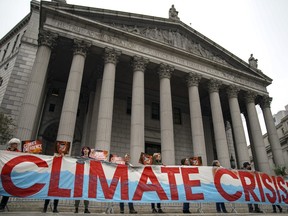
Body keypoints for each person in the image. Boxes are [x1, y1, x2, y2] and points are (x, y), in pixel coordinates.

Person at [0, 138, 21, 212]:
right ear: (11, 144)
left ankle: (2, 206)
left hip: (11, 175)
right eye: (14, 144)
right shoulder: (6, 152)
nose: (16, 145)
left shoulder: (19, 153)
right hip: (3, 173)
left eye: (17, 144)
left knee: (7, 191)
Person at [74, 146, 91, 213]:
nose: (85, 150)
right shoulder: (79, 158)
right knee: (78, 193)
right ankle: (76, 208)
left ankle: (86, 208)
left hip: (87, 179)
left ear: (89, 151)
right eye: (84, 149)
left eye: (87, 149)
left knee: (86, 194)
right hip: (80, 178)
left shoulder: (91, 159)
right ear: (83, 151)